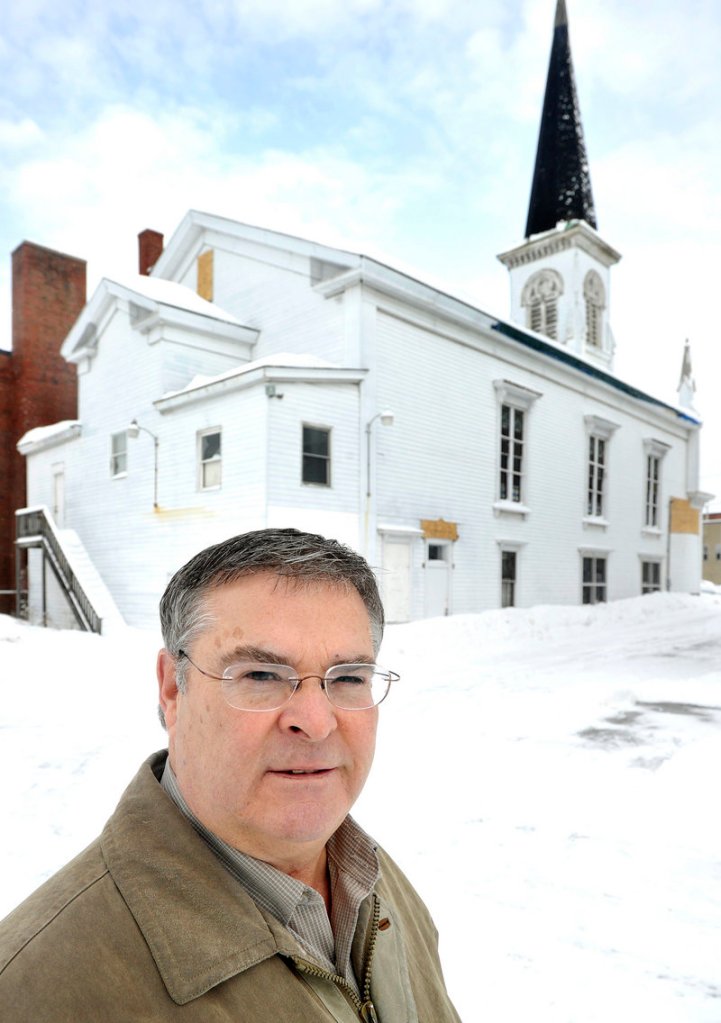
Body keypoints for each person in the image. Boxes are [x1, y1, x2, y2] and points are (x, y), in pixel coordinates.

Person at [0, 528, 461, 1021]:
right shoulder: (39, 987)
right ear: (172, 690)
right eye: (261, 676)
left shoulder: (377, 885)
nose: (317, 721)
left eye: (348, 677)